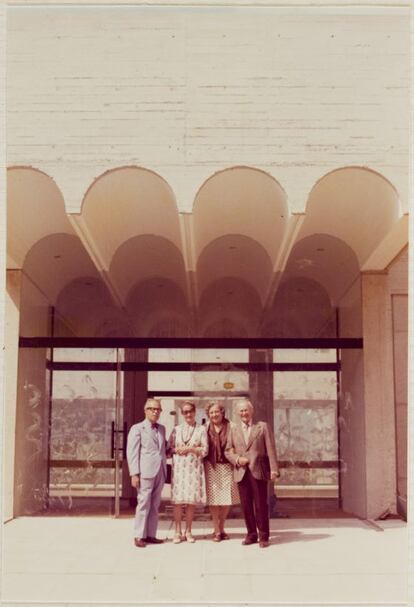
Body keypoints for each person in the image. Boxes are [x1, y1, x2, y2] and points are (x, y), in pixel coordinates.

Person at [225, 399, 279, 548]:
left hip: (258, 470)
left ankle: (264, 536)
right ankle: (251, 534)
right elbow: (228, 450)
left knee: (261, 504)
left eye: (246, 410)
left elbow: (270, 448)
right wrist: (237, 459)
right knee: (246, 505)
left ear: (252, 411)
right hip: (241, 472)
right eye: (241, 411)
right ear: (237, 413)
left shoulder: (262, 427)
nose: (244, 413)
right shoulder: (233, 429)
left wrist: (274, 469)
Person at [126, 398, 167, 548]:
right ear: (145, 410)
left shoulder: (162, 429)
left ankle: (150, 534)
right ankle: (138, 535)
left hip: (160, 472)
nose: (155, 412)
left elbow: (163, 449)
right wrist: (134, 474)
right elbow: (132, 452)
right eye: (152, 409)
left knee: (155, 505)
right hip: (145, 472)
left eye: (158, 409)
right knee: (143, 503)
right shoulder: (137, 429)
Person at [167, 401, 208, 544]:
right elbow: (168, 449)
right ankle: (177, 531)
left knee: (190, 502)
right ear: (182, 414)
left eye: (190, 411)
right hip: (179, 471)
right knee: (178, 502)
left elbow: (205, 450)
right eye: (185, 412)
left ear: (195, 412)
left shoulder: (201, 429)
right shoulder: (176, 430)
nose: (188, 414)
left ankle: (189, 531)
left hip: (193, 470)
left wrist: (190, 449)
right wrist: (176, 450)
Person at [204, 401, 239, 541]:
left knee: (226, 498)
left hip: (227, 466)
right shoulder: (205, 427)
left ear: (222, 412)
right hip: (211, 466)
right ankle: (216, 530)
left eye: (216, 412)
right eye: (211, 412)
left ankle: (222, 527)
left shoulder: (232, 426)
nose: (214, 415)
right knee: (213, 499)